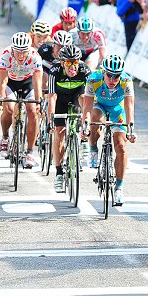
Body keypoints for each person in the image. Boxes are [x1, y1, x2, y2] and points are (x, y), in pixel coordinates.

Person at [82, 55, 137, 204]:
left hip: (117, 110)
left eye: (116, 76)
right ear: (103, 72)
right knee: (95, 120)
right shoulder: (93, 79)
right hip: (98, 105)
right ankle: (93, 149)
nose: (112, 80)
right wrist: (85, 127)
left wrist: (130, 128)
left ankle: (119, 187)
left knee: (121, 146)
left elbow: (129, 106)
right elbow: (86, 107)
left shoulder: (126, 81)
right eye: (109, 76)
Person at [47, 45, 91, 192]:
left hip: (77, 96)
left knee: (85, 97)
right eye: (68, 63)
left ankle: (84, 137)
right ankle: (59, 173)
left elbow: (90, 99)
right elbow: (52, 97)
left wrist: (88, 121)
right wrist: (50, 119)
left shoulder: (85, 71)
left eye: (75, 62)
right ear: (61, 63)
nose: (72, 67)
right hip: (60, 99)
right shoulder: (54, 71)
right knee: (59, 134)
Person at [0, 32, 44, 168]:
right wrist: (0, 99)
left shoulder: (35, 57)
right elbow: (3, 81)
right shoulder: (6, 54)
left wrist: (39, 102)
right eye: (17, 51)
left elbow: (37, 82)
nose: (21, 55)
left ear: (29, 49)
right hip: (11, 82)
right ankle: (5, 137)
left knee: (32, 111)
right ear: (12, 49)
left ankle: (29, 151)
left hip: (28, 83)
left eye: (24, 51)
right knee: (9, 108)